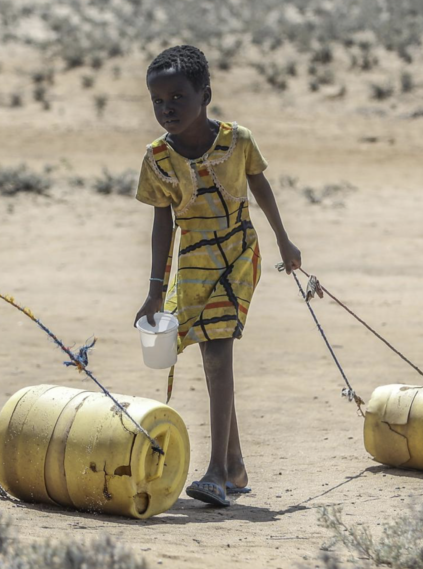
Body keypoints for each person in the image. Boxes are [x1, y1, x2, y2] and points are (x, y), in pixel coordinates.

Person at [133, 45, 302, 507]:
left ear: (205, 94)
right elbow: (161, 223)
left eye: (177, 98)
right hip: (191, 259)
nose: (166, 109)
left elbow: (259, 185)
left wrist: (284, 241)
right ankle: (235, 465)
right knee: (206, 355)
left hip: (236, 251)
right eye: (158, 102)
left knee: (217, 351)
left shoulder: (237, 140)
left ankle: (216, 473)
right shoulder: (156, 158)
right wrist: (154, 290)